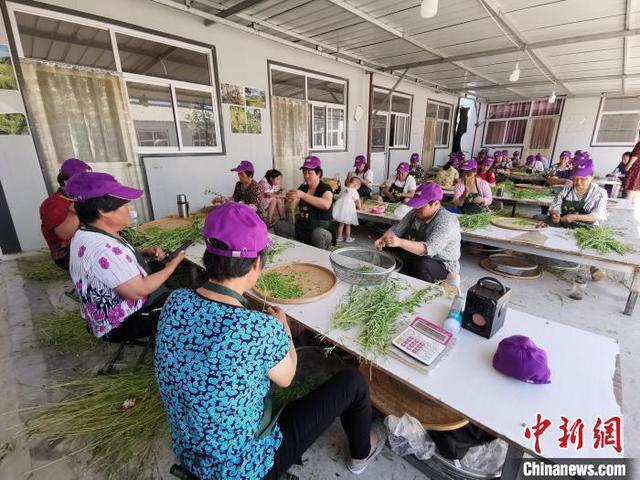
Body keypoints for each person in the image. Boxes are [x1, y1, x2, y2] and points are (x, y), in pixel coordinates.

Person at [154, 203, 384, 480]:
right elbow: (287, 377)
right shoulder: (257, 328)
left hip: (189, 451)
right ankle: (362, 453)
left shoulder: (175, 301)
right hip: (243, 469)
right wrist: (284, 329)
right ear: (256, 264)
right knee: (353, 383)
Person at [65, 172, 184, 341]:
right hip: (121, 322)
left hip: (108, 312)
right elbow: (137, 291)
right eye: (124, 205)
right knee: (189, 306)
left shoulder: (87, 233)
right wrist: (173, 266)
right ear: (102, 211)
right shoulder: (103, 248)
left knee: (160, 268)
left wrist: (141, 252)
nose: (129, 210)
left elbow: (111, 261)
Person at [374, 182, 460, 283]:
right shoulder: (415, 212)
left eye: (421, 205)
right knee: (387, 245)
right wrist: (382, 239)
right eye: (416, 205)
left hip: (440, 262)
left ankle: (423, 289)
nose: (417, 208)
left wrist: (400, 242)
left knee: (422, 265)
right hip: (417, 255)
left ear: (436, 203)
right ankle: (399, 276)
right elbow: (396, 229)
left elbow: (429, 249)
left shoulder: (446, 220)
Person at [39, 158, 92, 270]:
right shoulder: (53, 204)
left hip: (86, 242)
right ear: (67, 182)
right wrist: (74, 213)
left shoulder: (80, 197)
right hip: (68, 253)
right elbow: (64, 235)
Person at [274, 156, 334, 249]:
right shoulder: (303, 187)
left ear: (318, 174)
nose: (306, 176)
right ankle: (291, 249)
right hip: (302, 228)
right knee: (279, 225)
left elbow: (326, 205)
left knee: (318, 234)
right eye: (304, 172)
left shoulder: (325, 188)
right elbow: (289, 209)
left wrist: (303, 196)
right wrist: (290, 200)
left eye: (310, 173)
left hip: (322, 230)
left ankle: (319, 257)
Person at [535, 159, 607, 229]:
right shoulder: (566, 189)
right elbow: (555, 206)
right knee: (537, 217)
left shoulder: (600, 193)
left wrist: (574, 217)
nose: (578, 182)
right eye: (575, 179)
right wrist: (554, 214)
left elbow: (597, 215)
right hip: (564, 223)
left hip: (587, 227)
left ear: (591, 177)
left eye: (583, 179)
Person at [333, 176, 362, 243]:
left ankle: (339, 237)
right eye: (357, 188)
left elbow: (340, 196)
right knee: (348, 224)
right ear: (355, 185)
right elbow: (358, 201)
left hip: (341, 209)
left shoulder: (343, 188)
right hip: (349, 210)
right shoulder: (354, 191)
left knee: (341, 224)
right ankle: (348, 238)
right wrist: (360, 208)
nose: (357, 189)